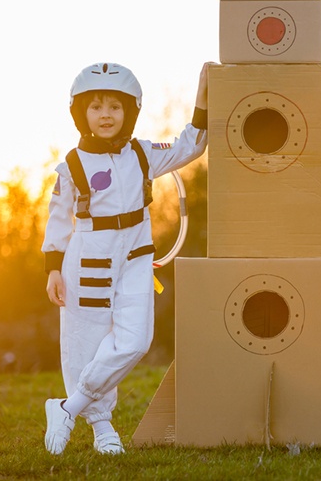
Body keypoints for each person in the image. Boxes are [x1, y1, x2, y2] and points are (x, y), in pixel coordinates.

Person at [41, 62, 209, 455]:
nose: (105, 115)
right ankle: (102, 429)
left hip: (135, 256)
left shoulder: (143, 154)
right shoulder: (72, 165)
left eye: (114, 107)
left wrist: (203, 99)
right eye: (96, 107)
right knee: (86, 344)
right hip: (86, 260)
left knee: (135, 340)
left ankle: (68, 408)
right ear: (81, 112)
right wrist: (52, 269)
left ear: (129, 111)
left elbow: (192, 145)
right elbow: (57, 218)